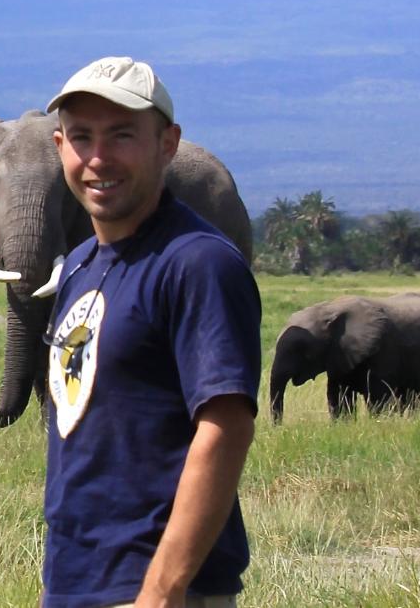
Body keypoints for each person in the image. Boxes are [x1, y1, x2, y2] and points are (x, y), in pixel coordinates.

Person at [40, 56, 262, 608]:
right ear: (59, 146)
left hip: (161, 589)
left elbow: (226, 427)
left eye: (121, 136)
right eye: (81, 137)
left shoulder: (198, 263)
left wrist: (161, 591)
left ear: (168, 144)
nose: (97, 158)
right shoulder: (80, 266)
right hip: (77, 581)